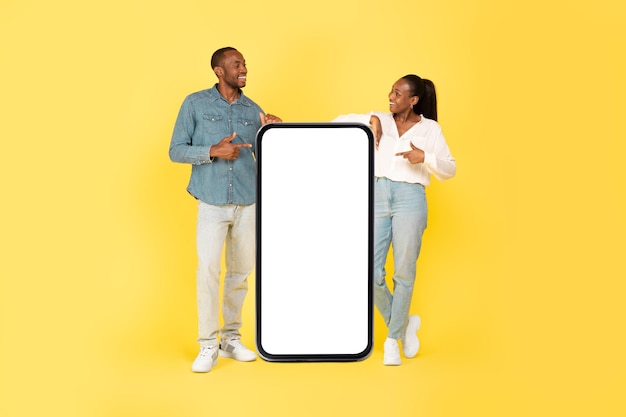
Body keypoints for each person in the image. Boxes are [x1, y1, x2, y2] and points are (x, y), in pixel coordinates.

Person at [169, 47, 281, 373]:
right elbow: (175, 150)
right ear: (219, 71)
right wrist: (212, 151)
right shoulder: (195, 104)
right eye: (237, 64)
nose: (244, 68)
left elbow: (268, 157)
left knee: (240, 273)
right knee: (208, 272)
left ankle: (231, 338)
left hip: (248, 202)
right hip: (211, 203)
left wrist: (275, 131)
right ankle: (207, 345)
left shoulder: (253, 109)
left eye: (245, 63)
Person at [333, 75, 456, 365]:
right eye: (391, 90)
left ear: (413, 100)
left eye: (398, 93)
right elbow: (336, 121)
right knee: (370, 270)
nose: (391, 96)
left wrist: (424, 157)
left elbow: (450, 169)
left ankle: (391, 340)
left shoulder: (430, 129)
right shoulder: (381, 119)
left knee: (403, 271)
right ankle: (402, 326)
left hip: (410, 197)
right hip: (377, 192)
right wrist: (370, 122)